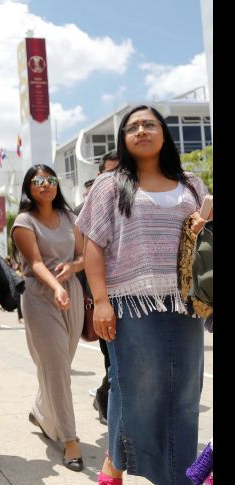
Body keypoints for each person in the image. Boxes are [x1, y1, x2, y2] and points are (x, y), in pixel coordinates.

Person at [76, 106, 208, 485]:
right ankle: (127, 466)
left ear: (164, 133)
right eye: (133, 127)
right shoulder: (111, 185)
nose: (142, 131)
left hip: (187, 304)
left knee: (185, 393)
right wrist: (101, 301)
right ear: (125, 139)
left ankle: (175, 475)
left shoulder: (192, 184)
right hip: (131, 304)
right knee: (138, 392)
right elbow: (94, 246)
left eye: (149, 124)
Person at [11, 165, 85, 472]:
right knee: (55, 367)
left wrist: (72, 269)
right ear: (29, 187)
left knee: (61, 366)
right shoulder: (23, 222)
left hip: (73, 293)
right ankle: (70, 440)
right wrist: (56, 286)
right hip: (41, 296)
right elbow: (36, 262)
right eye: (38, 181)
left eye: (50, 180)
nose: (45, 185)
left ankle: (41, 411)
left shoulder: (71, 217)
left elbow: (84, 255)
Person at [75, 150, 118, 427]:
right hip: (103, 298)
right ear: (100, 175)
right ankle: (106, 400)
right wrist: (94, 299)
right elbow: (84, 257)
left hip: (135, 297)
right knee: (112, 360)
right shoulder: (86, 211)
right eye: (110, 173)